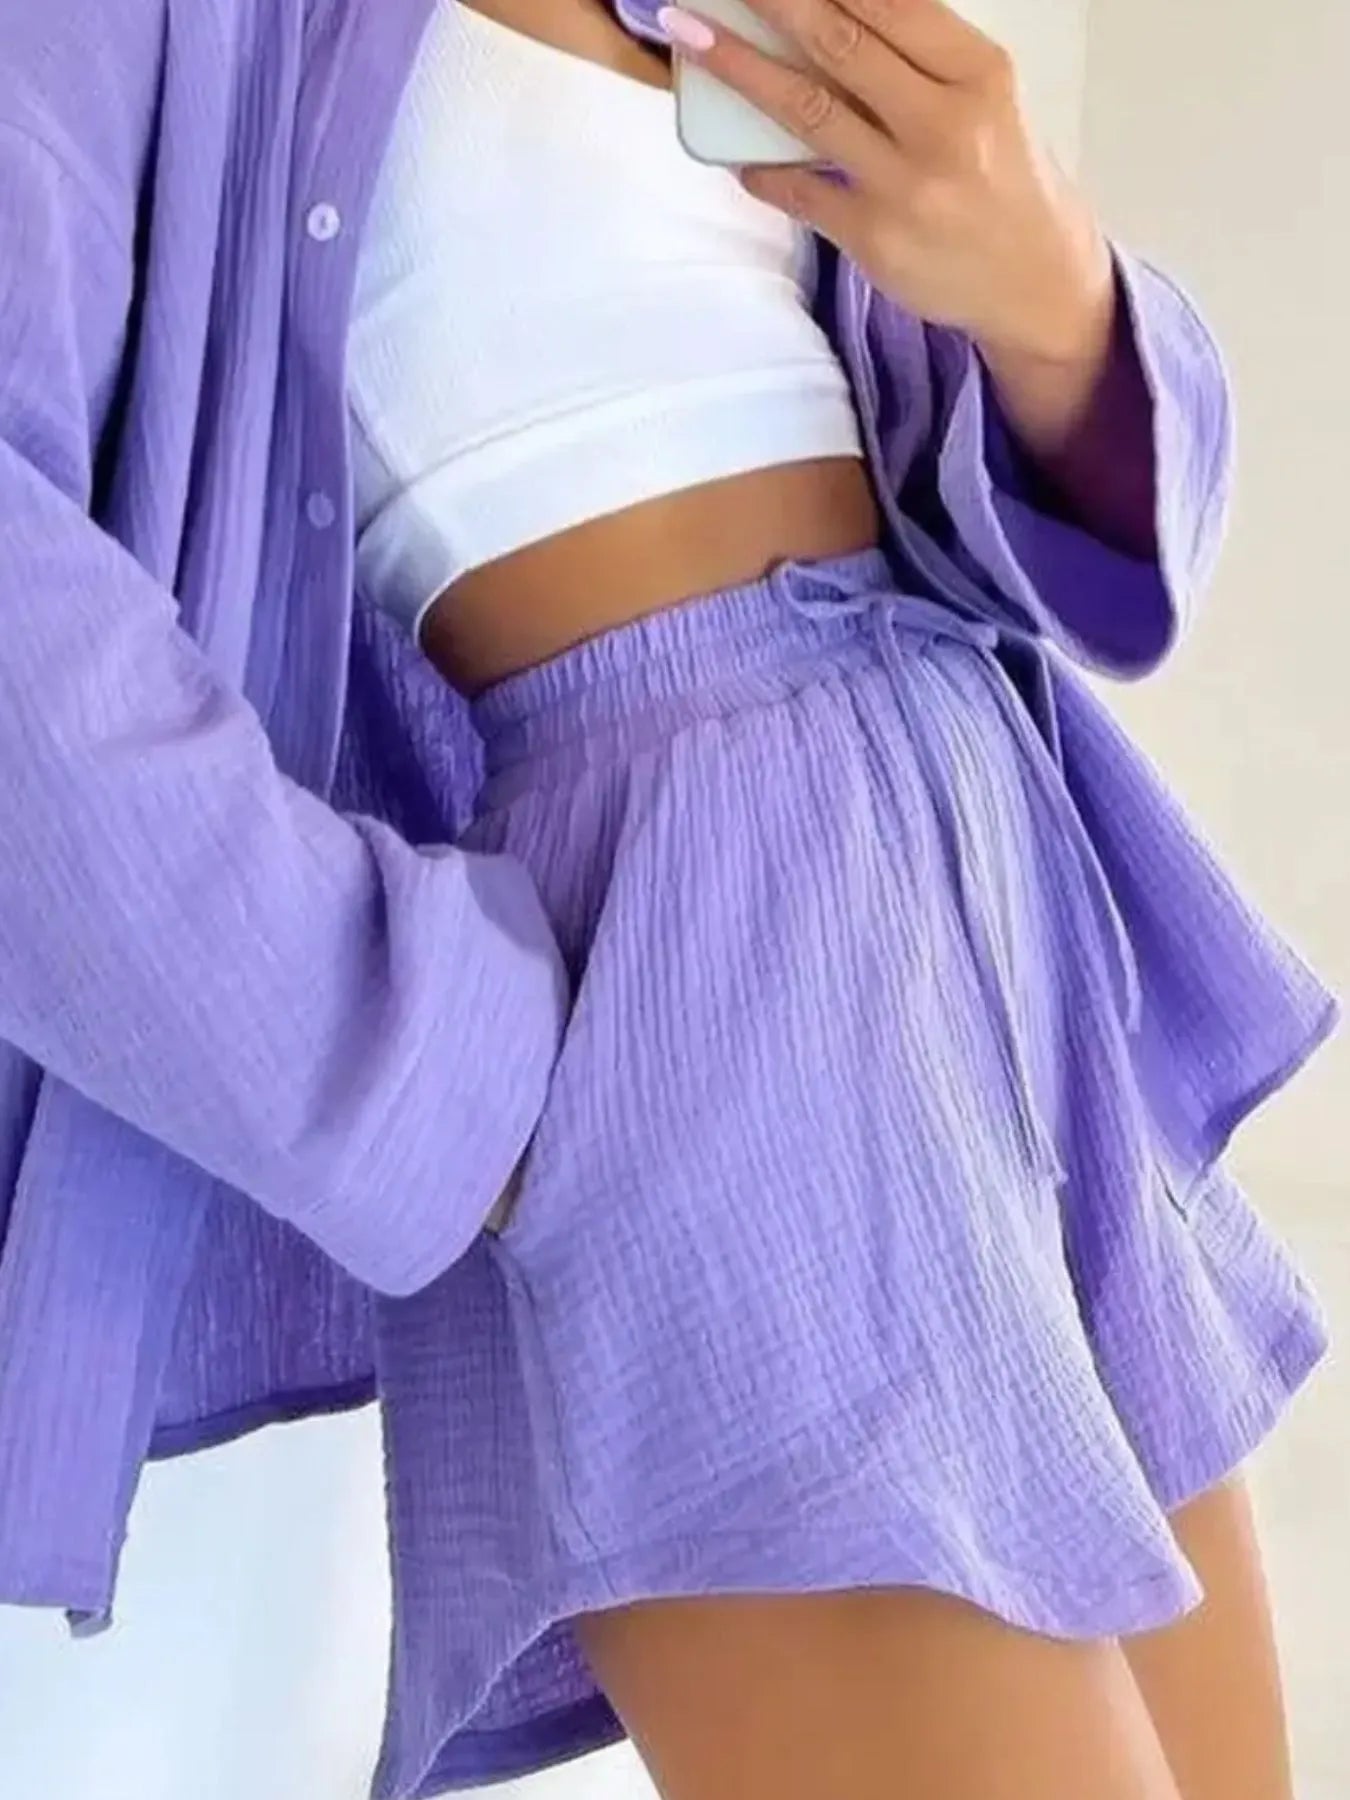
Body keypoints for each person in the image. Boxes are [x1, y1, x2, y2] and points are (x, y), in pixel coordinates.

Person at [0, 0, 1335, 1797]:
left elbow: (1006, 483)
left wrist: (1056, 304)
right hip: (704, 959)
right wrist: (432, 1077)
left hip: (999, 907)